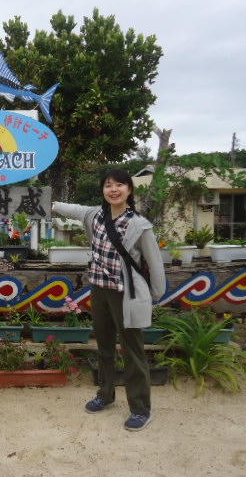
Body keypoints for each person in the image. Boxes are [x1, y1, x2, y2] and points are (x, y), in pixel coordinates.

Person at [52, 169, 165, 432]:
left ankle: (140, 409)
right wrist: (52, 204)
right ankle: (105, 394)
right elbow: (74, 209)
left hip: (127, 294)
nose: (113, 190)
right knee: (104, 347)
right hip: (99, 290)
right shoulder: (95, 215)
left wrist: (154, 295)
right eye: (108, 185)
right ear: (103, 190)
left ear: (129, 189)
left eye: (119, 185)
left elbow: (154, 262)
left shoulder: (140, 225)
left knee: (132, 350)